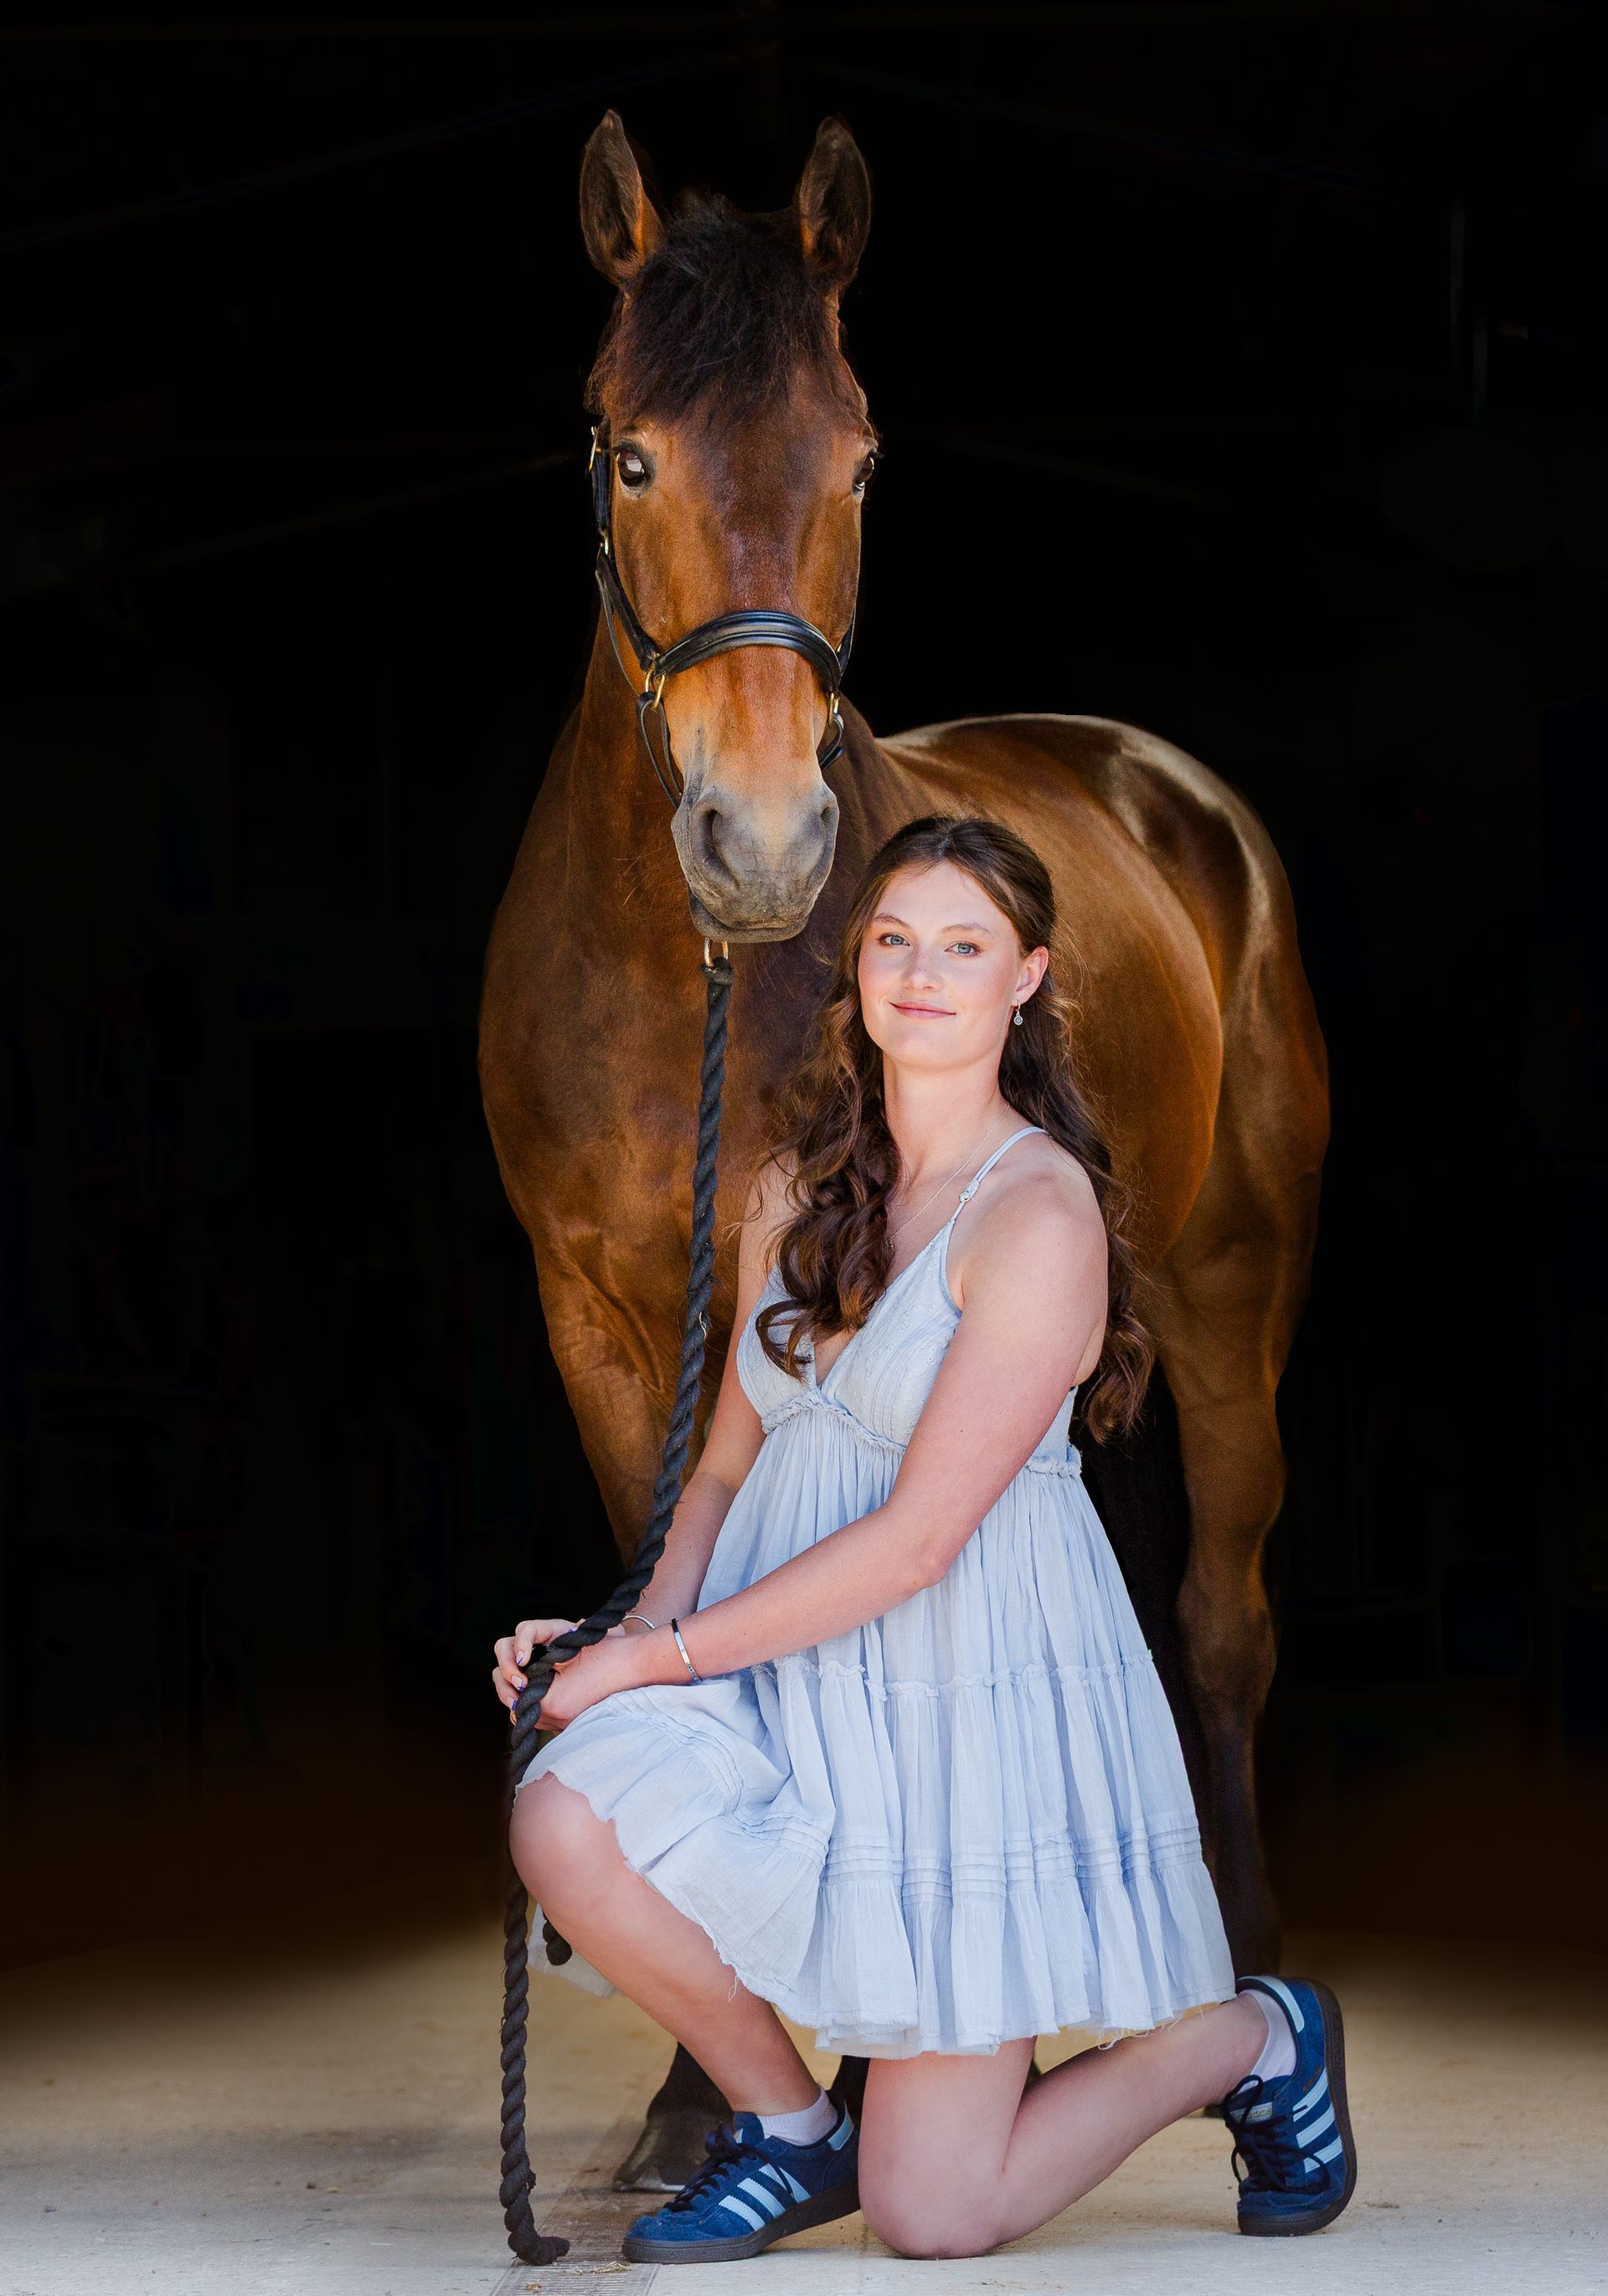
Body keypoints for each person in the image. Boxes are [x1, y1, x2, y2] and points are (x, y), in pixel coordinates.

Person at [493, 812, 1358, 2263]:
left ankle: (1255, 2039)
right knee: (563, 1815)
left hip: (968, 1695)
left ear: (1026, 977)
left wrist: (660, 1663)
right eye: (894, 940)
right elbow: (716, 1475)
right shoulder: (793, 1190)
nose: (923, 974)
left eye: (963, 947)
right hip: (784, 1656)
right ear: (857, 970)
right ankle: (787, 2124)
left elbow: (914, 1544)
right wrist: (616, 1636)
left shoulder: (1039, 1214)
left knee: (938, 2214)